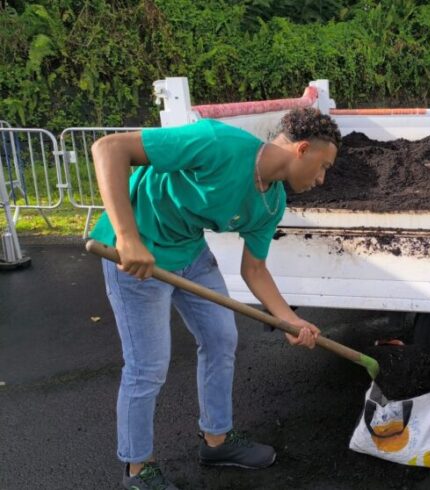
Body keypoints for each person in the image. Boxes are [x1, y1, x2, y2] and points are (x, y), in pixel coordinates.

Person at [89, 107, 341, 490]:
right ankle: (138, 469)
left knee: (222, 339)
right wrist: (127, 237)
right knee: (148, 366)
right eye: (323, 167)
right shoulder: (216, 143)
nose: (323, 179)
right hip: (137, 258)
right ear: (302, 149)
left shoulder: (272, 204)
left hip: (189, 255)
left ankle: (217, 440)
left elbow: (254, 269)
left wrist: (289, 318)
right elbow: (109, 148)